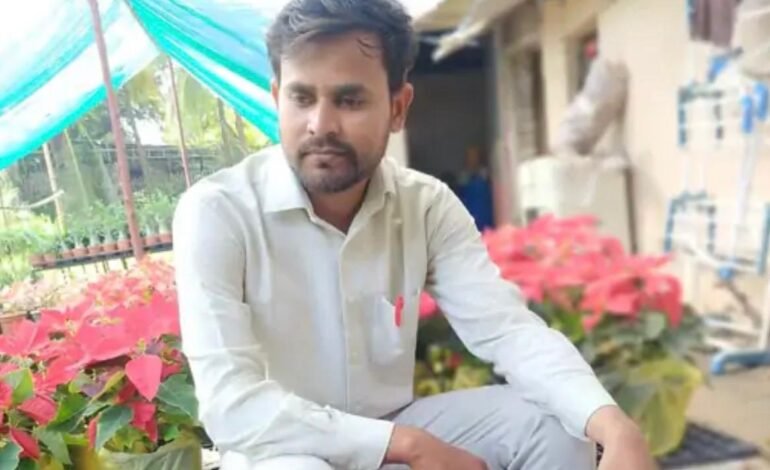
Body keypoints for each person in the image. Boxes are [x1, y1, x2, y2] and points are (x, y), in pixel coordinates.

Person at [172, 1, 656, 469]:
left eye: (349, 100)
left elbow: (507, 330)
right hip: (278, 450)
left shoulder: (424, 206)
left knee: (557, 425)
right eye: (302, 98)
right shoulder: (219, 212)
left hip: (392, 425)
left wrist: (613, 425)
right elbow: (231, 405)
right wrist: (407, 445)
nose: (321, 124)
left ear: (398, 107)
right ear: (277, 97)